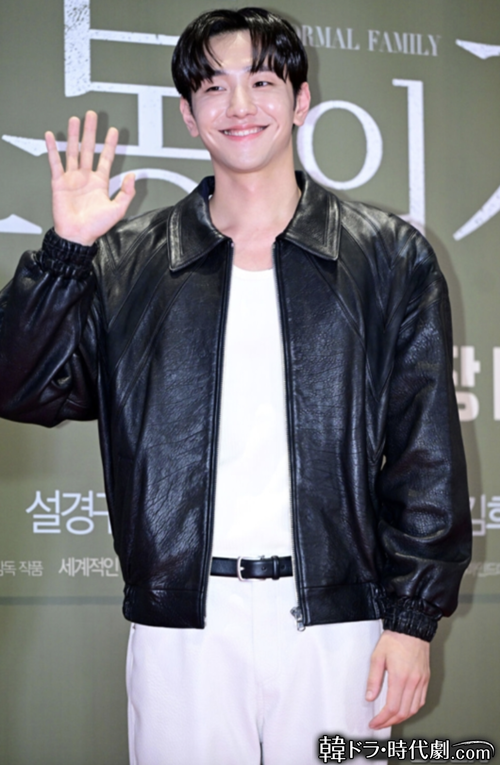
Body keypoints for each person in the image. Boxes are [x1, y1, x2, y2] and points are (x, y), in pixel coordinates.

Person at [0, 7, 471, 765]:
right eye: (215, 87)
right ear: (190, 116)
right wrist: (66, 253)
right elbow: (20, 388)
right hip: (181, 627)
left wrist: (412, 618)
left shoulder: (388, 258)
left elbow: (425, 451)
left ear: (302, 100)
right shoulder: (128, 263)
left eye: (262, 81)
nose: (240, 105)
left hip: (338, 622)